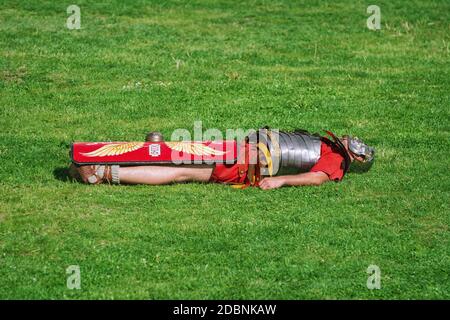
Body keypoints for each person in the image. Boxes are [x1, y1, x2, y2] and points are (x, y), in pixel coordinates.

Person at [69, 129, 374, 190]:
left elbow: (316, 177)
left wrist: (280, 180)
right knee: (178, 156)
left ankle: (104, 173)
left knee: (180, 172)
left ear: (356, 159)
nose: (355, 140)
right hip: (242, 149)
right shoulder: (326, 144)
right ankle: (116, 160)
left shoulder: (336, 163)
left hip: (246, 163)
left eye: (359, 147)